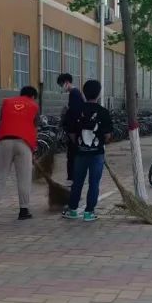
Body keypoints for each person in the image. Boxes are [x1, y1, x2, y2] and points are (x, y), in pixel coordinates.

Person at [0, 86, 39, 221]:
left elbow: (2, 120)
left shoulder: (6, 102)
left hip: (5, 141)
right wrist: (34, 149)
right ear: (33, 96)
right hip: (24, 142)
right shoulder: (34, 105)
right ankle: (23, 211)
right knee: (24, 177)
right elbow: (35, 127)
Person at [62, 79, 112, 222]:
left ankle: (72, 210)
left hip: (80, 153)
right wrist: (101, 143)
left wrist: (78, 143)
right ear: (99, 94)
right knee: (94, 183)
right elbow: (108, 135)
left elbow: (71, 132)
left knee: (77, 182)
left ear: (84, 93)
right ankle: (89, 212)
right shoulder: (103, 112)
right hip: (97, 154)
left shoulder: (76, 111)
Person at [57, 73, 85, 181]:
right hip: (75, 130)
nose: (62, 87)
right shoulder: (74, 93)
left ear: (67, 82)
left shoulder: (74, 93)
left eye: (61, 85)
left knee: (72, 157)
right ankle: (73, 178)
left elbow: (75, 114)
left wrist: (72, 132)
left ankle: (73, 179)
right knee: (72, 156)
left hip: (75, 131)